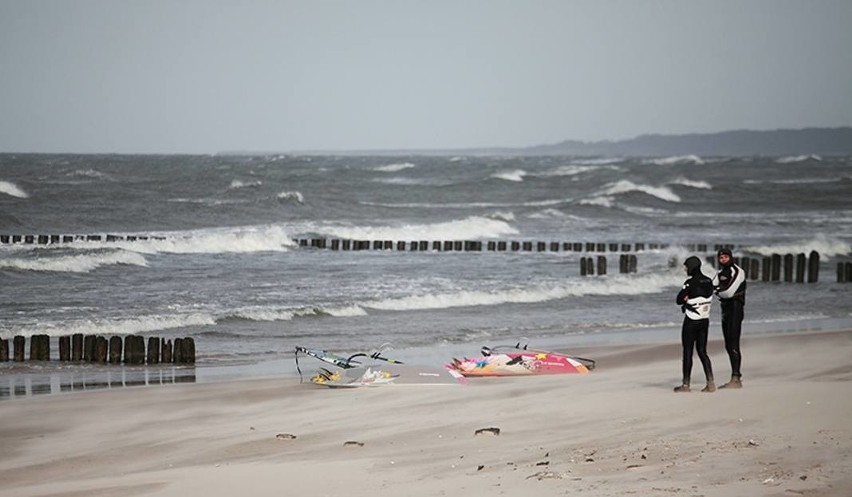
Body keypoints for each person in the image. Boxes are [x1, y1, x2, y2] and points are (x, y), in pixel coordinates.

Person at [674, 256, 715, 393]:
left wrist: (686, 297)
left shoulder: (690, 282)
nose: (685, 269)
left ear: (691, 267)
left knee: (688, 352)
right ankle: (710, 383)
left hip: (691, 321)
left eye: (686, 266)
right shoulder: (709, 281)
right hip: (704, 320)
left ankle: (686, 385)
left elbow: (679, 300)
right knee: (703, 351)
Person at [714, 248, 746, 389]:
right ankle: (733, 376)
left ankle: (736, 378)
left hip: (735, 309)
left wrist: (717, 292)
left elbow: (729, 292)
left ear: (731, 257)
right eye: (721, 258)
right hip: (725, 310)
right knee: (728, 344)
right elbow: (711, 286)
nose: (723, 260)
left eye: (726, 257)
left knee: (734, 344)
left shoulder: (738, 271)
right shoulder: (720, 274)